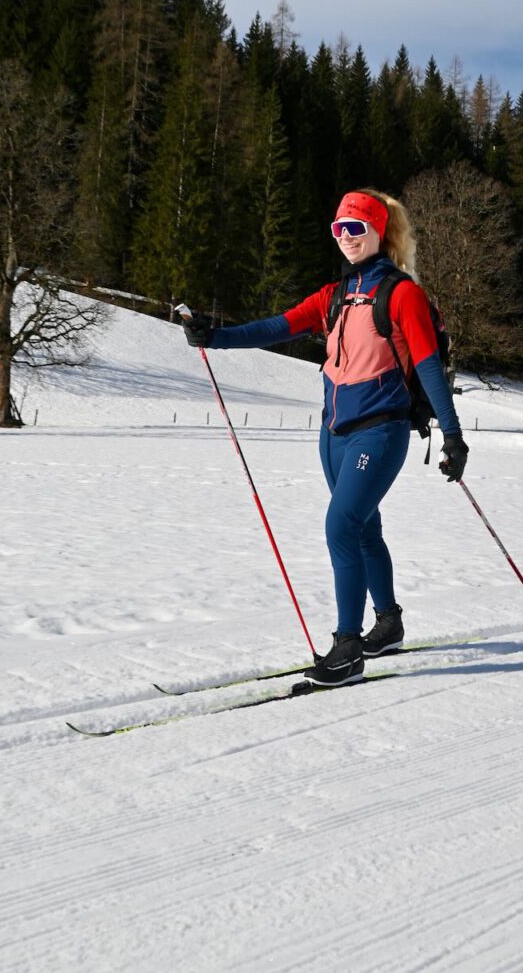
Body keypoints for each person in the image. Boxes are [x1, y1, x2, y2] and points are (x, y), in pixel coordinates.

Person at [183, 189, 468, 686]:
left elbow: (427, 363)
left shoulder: (402, 294)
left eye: (356, 228)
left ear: (379, 231)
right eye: (339, 229)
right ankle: (389, 623)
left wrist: (453, 434)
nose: (347, 238)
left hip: (381, 432)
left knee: (341, 525)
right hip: (332, 433)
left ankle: (347, 647)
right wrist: (215, 336)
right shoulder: (334, 295)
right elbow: (278, 326)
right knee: (364, 528)